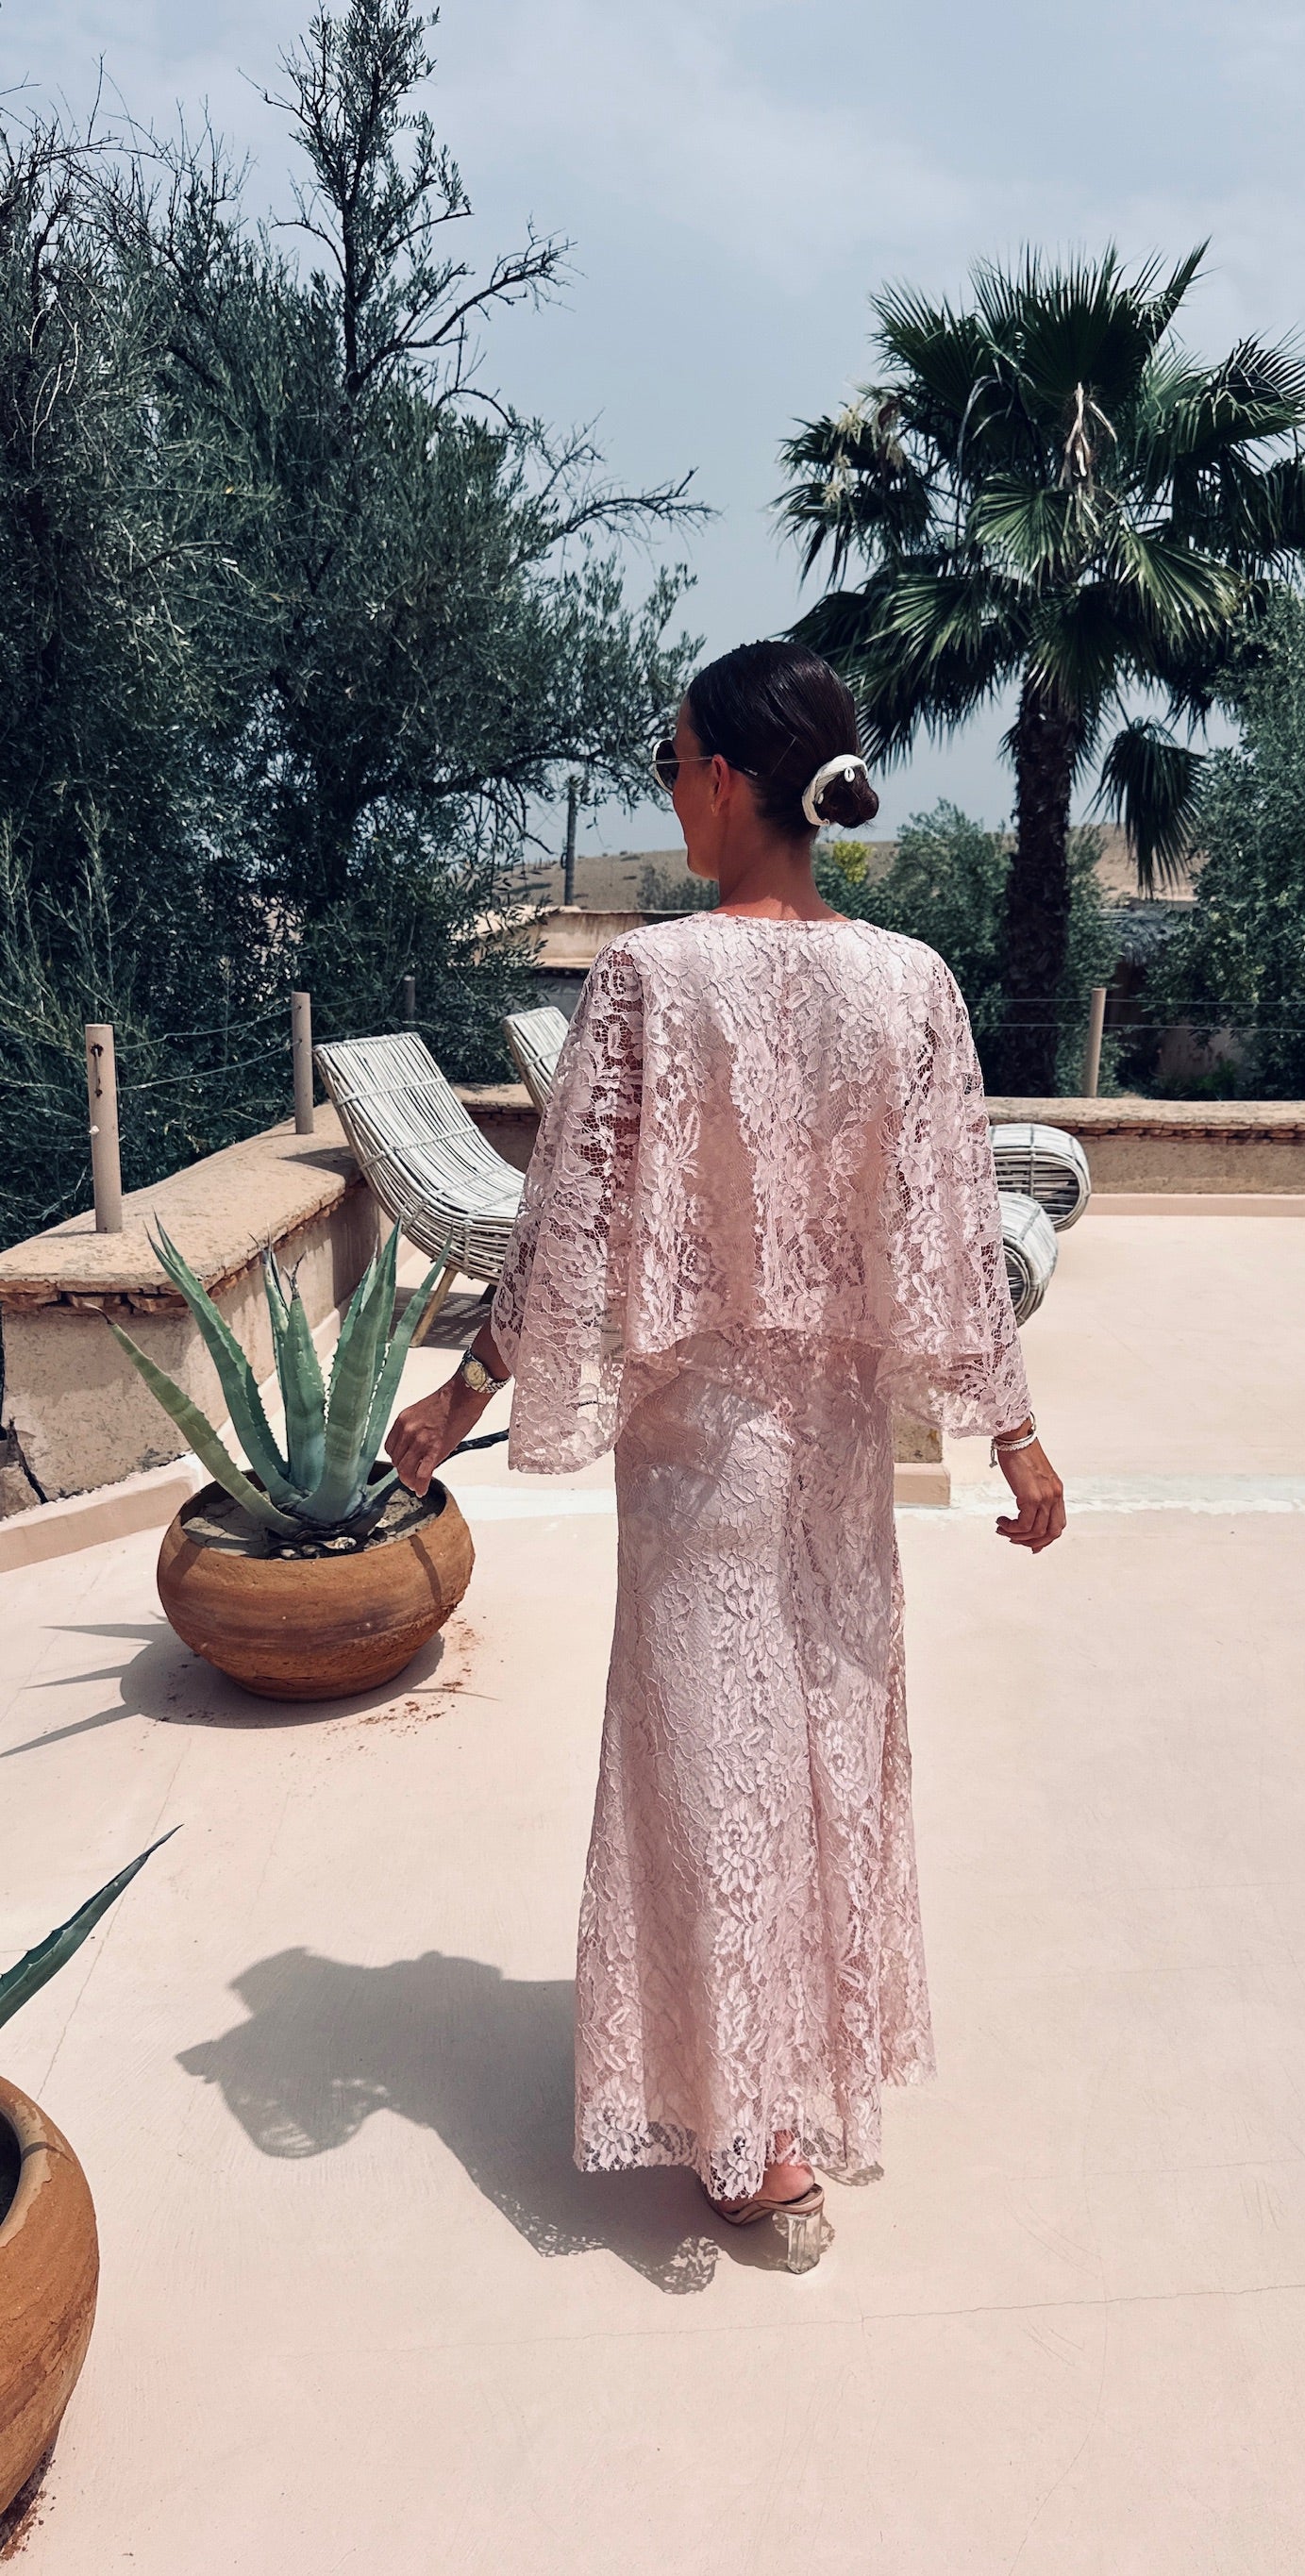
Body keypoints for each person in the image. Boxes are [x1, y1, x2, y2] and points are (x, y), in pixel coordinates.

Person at [387, 639, 1064, 2270]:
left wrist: (458, 1399)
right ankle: (772, 2087)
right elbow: (954, 1233)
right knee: (817, 1748)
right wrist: (1018, 1436)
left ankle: (749, 2129)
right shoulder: (914, 984)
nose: (670, 790)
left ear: (736, 780)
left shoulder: (648, 979)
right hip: (832, 1453)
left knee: (711, 1764)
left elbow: (567, 1237)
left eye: (676, 761)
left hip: (699, 1455)